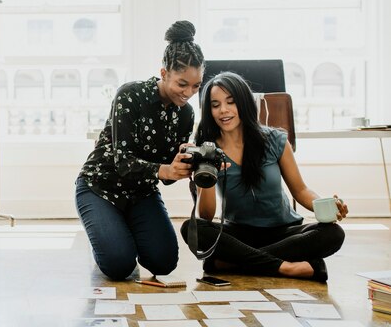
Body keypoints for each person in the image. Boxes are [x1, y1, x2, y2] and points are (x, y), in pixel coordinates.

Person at [181, 72, 348, 282]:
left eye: (231, 102)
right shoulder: (208, 149)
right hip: (239, 233)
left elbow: (301, 191)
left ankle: (235, 263)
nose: (223, 110)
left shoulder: (275, 140)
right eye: (215, 105)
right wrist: (205, 178)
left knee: (333, 234)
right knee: (192, 229)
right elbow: (206, 215)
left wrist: (327, 205)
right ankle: (286, 267)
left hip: (283, 231)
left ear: (244, 103)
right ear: (209, 110)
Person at [75, 20, 205, 280]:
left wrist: (186, 166)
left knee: (164, 261)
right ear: (164, 72)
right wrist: (165, 169)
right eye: (182, 84)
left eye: (196, 86)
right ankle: (106, 233)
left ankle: (119, 231)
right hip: (100, 187)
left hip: (141, 193)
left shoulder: (186, 114)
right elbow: (123, 164)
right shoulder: (130, 95)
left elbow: (165, 178)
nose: (188, 93)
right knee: (118, 266)